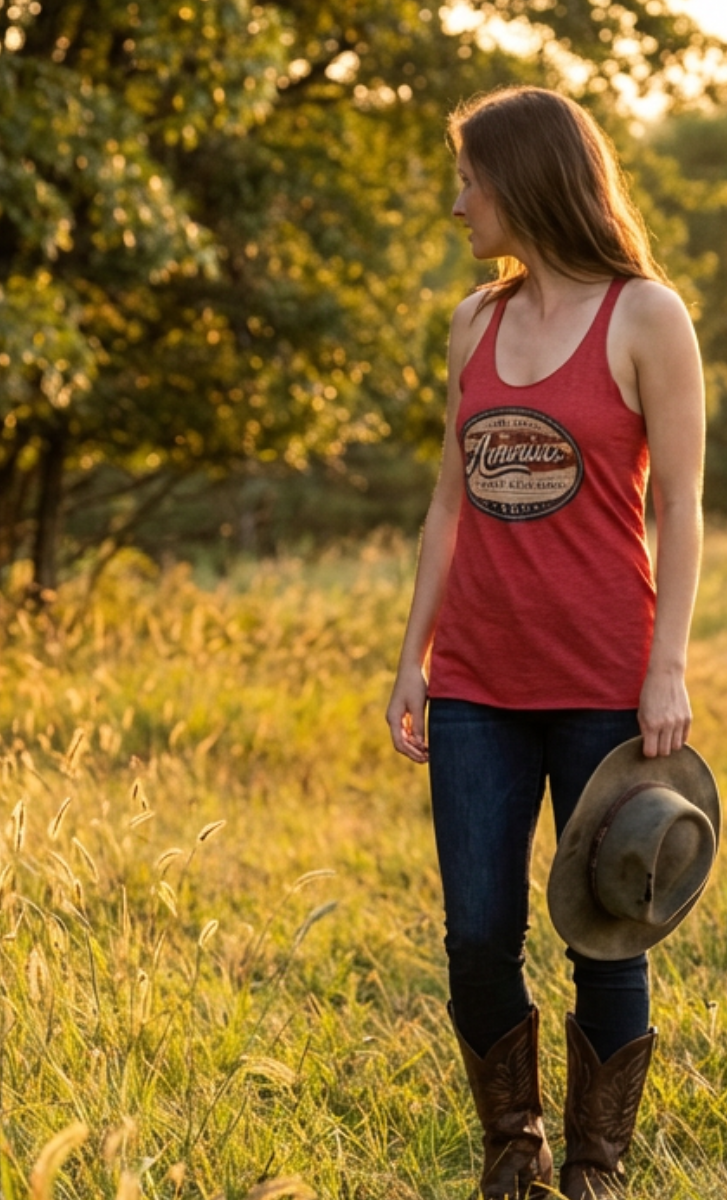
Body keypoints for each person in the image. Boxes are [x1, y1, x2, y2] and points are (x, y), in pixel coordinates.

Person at [385, 86, 705, 1200]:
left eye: (469, 176)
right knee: (476, 935)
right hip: (478, 682)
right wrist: (411, 660)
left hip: (604, 686)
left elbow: (682, 510)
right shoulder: (473, 321)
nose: (457, 199)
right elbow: (446, 506)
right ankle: (512, 1150)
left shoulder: (648, 317)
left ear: (522, 178)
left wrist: (666, 666)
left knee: (609, 932)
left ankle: (597, 1166)